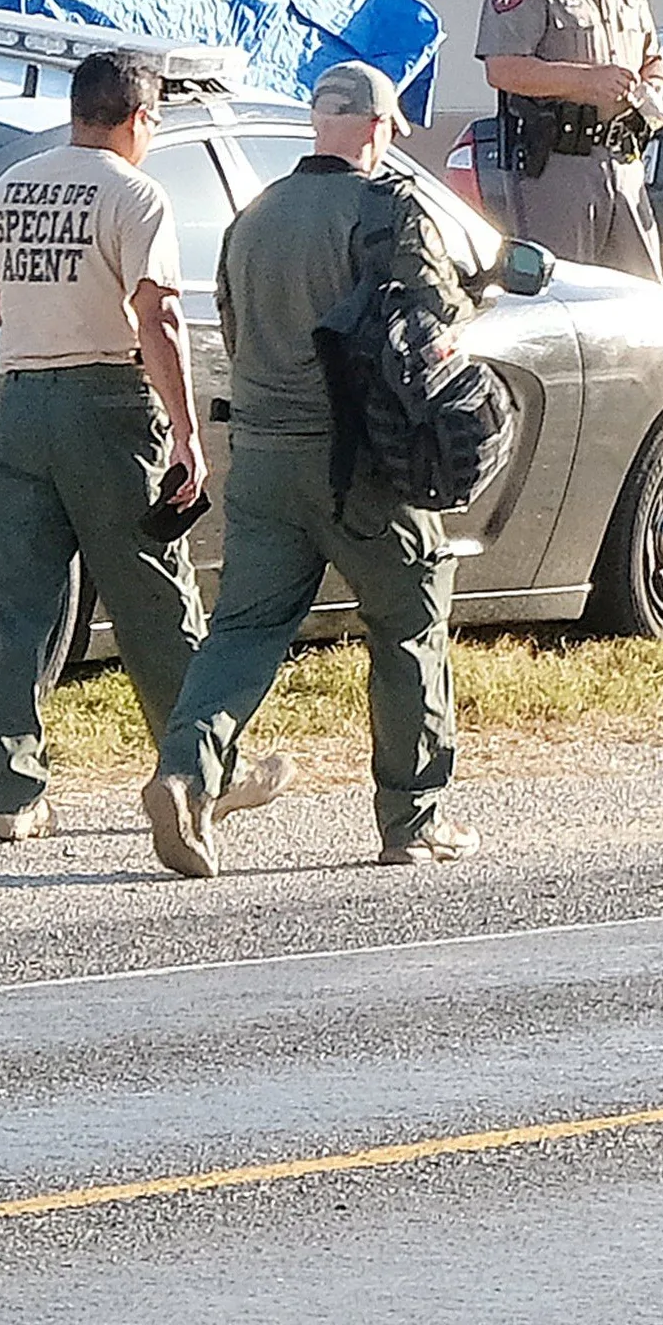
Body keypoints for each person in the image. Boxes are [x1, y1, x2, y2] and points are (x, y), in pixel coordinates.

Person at [142, 62, 474, 876]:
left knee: (244, 632)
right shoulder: (387, 209)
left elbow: (230, 321)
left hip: (259, 460)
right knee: (409, 623)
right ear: (372, 126)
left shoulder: (249, 218)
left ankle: (184, 771)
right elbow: (432, 324)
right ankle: (413, 819)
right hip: (359, 465)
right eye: (391, 128)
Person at [0, 51, 281, 843]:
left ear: (79, 108)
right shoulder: (136, 195)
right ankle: (206, 768)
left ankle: (12, 794)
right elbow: (159, 318)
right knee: (154, 597)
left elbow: (1, 301)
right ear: (141, 117)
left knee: (18, 608)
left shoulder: (9, 187)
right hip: (108, 405)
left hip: (21, 404)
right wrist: (184, 432)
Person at [479, 0, 663, 274]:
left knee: (644, 298)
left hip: (625, 160)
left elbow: (654, 57)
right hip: (558, 165)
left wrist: (658, 91)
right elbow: (502, 68)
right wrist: (585, 82)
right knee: (565, 291)